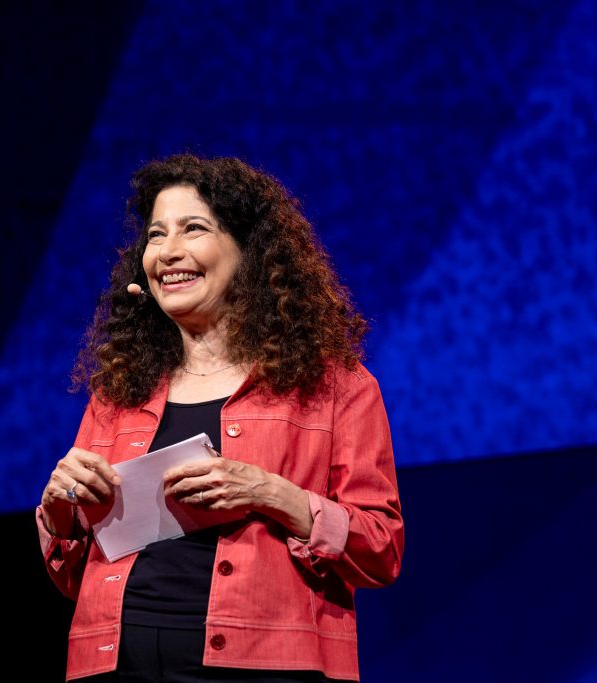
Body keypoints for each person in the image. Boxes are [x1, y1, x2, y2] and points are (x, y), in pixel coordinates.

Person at [37, 153, 404, 682]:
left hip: (265, 668)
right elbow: (74, 573)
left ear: (248, 252)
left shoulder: (336, 387)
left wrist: (272, 494)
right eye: (156, 235)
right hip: (114, 663)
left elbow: (381, 548)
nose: (168, 251)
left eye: (194, 229)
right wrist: (61, 510)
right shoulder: (117, 392)